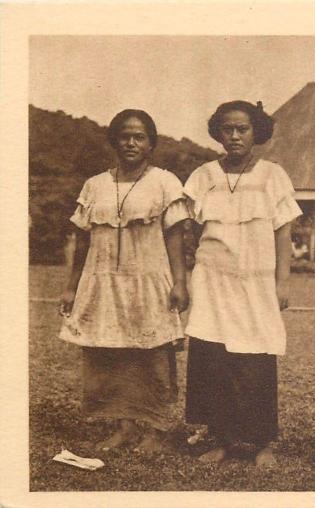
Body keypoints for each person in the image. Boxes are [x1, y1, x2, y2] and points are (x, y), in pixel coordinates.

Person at [58, 109, 189, 453]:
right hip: (102, 281)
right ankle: (124, 427)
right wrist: (72, 287)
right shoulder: (95, 185)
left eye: (140, 137)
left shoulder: (165, 182)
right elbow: (83, 240)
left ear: (151, 144)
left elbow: (176, 236)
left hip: (148, 279)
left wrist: (180, 281)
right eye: (125, 136)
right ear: (114, 140)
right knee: (108, 352)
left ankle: (157, 430)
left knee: (153, 354)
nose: (131, 143)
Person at [183, 100, 302, 468]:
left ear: (256, 133)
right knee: (214, 358)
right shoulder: (204, 175)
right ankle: (222, 438)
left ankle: (262, 441)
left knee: (255, 359)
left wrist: (282, 280)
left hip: (256, 280)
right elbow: (190, 229)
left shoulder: (272, 175)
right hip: (213, 281)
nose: (234, 136)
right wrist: (191, 274)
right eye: (228, 129)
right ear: (218, 132)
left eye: (242, 129)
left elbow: (284, 230)